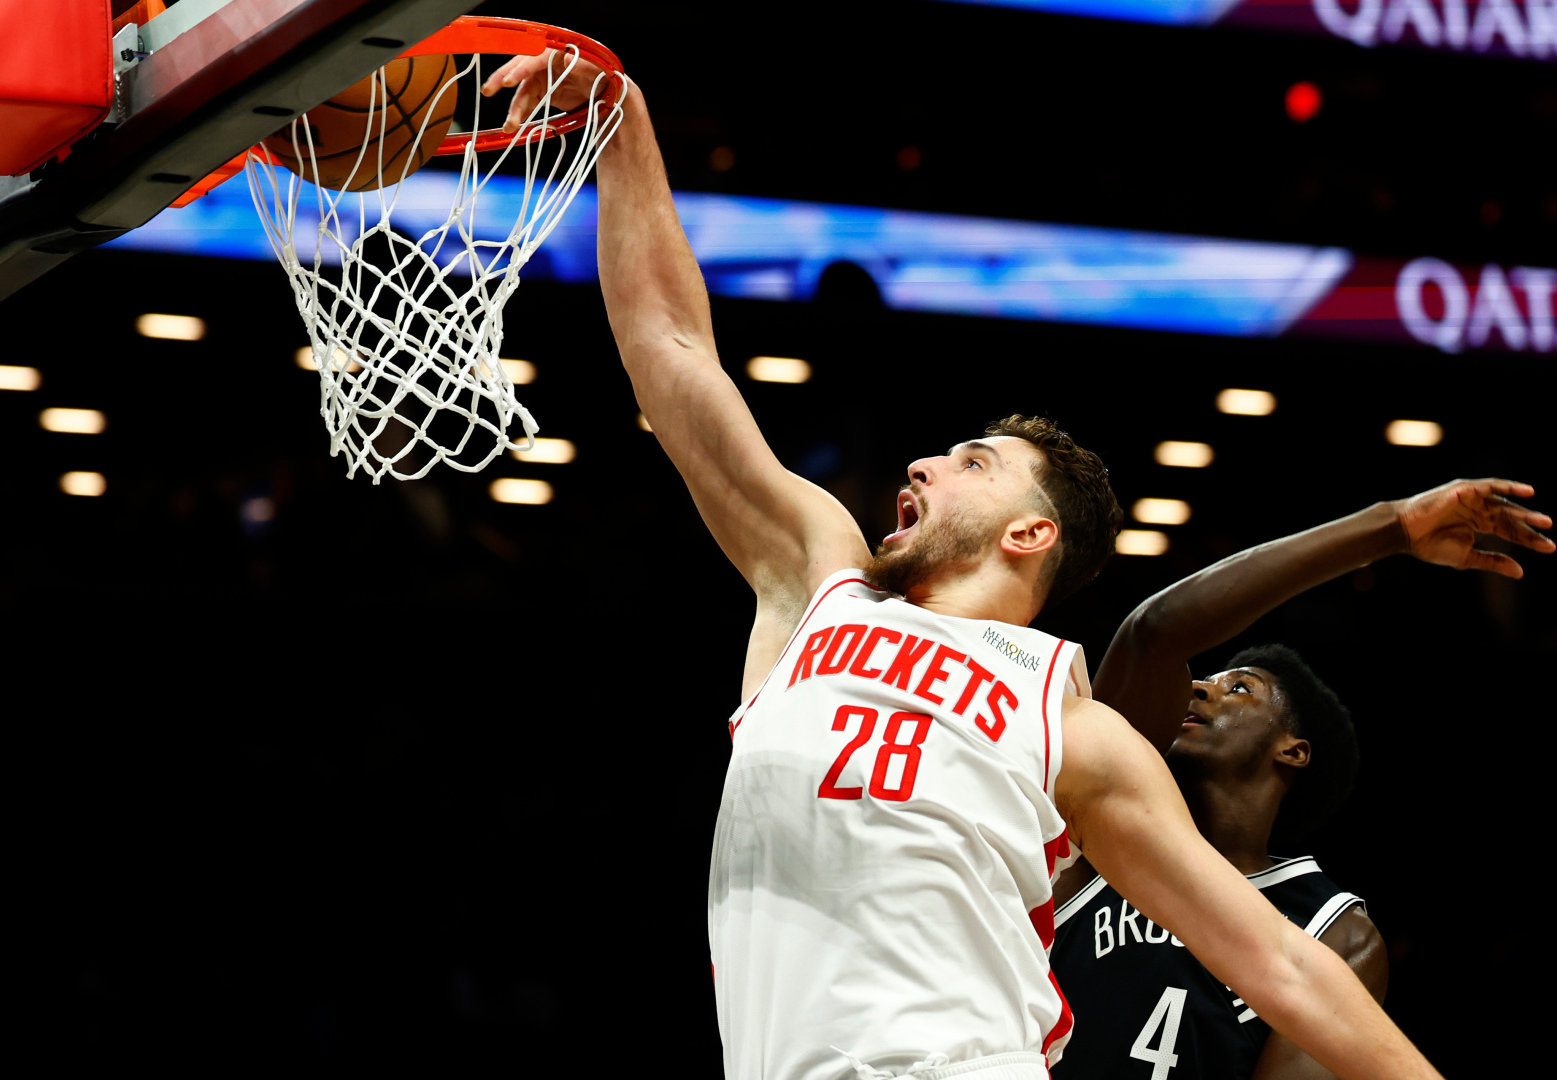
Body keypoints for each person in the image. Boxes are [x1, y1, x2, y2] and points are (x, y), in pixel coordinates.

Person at [484, 50, 1466, 1080]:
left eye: (973, 462)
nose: (925, 463)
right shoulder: (819, 582)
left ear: (1030, 534)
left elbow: (1282, 963)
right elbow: (670, 345)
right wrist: (623, 125)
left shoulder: (1074, 727)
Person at [1052, 482, 1555, 1080]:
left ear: (1293, 751)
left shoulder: (1332, 927)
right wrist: (1389, 526)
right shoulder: (1103, 824)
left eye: (1239, 688)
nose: (1199, 687)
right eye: (1207, 678)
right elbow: (1153, 634)